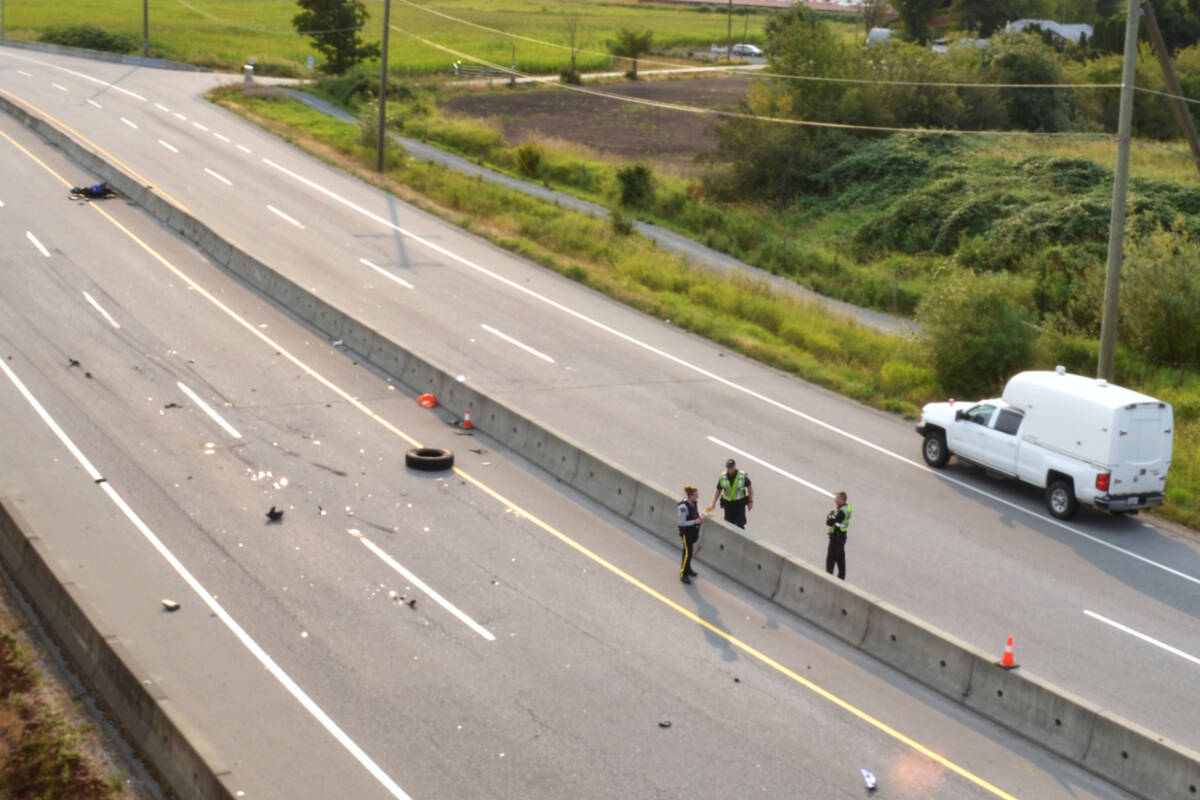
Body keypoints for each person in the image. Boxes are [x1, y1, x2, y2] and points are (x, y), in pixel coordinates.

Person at [709, 458, 753, 529]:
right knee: (729, 524)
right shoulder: (723, 476)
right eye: (728, 467)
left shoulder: (742, 476)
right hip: (728, 504)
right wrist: (713, 503)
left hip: (739, 504)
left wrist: (750, 501)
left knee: (740, 524)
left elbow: (750, 490)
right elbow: (718, 490)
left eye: (731, 467)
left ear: (735, 466)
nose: (729, 469)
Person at [677, 485, 703, 584]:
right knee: (687, 553)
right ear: (690, 496)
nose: (697, 497)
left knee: (689, 552)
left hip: (692, 532)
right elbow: (682, 522)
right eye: (696, 495)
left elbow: (694, 514)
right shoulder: (683, 507)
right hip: (686, 533)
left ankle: (688, 569)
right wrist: (694, 522)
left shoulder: (693, 503)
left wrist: (699, 518)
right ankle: (683, 573)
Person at [825, 491, 852, 580]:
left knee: (831, 560)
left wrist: (830, 517)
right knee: (840, 559)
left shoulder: (841, 512)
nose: (835, 499)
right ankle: (841, 577)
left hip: (836, 538)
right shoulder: (847, 508)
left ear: (841, 500)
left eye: (836, 498)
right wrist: (832, 515)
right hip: (842, 537)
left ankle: (828, 578)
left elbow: (830, 522)